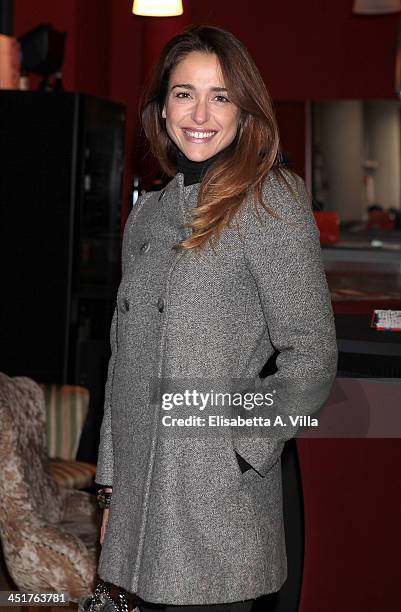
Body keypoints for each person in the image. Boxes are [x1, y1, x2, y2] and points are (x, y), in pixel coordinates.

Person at [95, 25, 338, 612]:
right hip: (135, 508)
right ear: (161, 107)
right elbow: (122, 361)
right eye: (184, 93)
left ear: (244, 110)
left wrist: (235, 444)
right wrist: (110, 490)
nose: (200, 112)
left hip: (214, 507)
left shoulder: (269, 199)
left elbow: (312, 355)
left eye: (221, 95)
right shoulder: (149, 215)